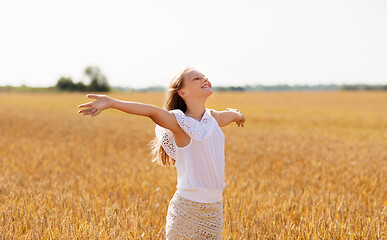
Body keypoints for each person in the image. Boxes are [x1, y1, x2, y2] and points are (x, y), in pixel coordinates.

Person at [77, 66, 245, 239]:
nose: (204, 79)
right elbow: (152, 111)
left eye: (204, 77)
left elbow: (231, 116)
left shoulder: (213, 119)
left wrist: (239, 115)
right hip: (187, 210)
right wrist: (113, 103)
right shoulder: (180, 123)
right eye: (196, 79)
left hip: (214, 211)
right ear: (182, 92)